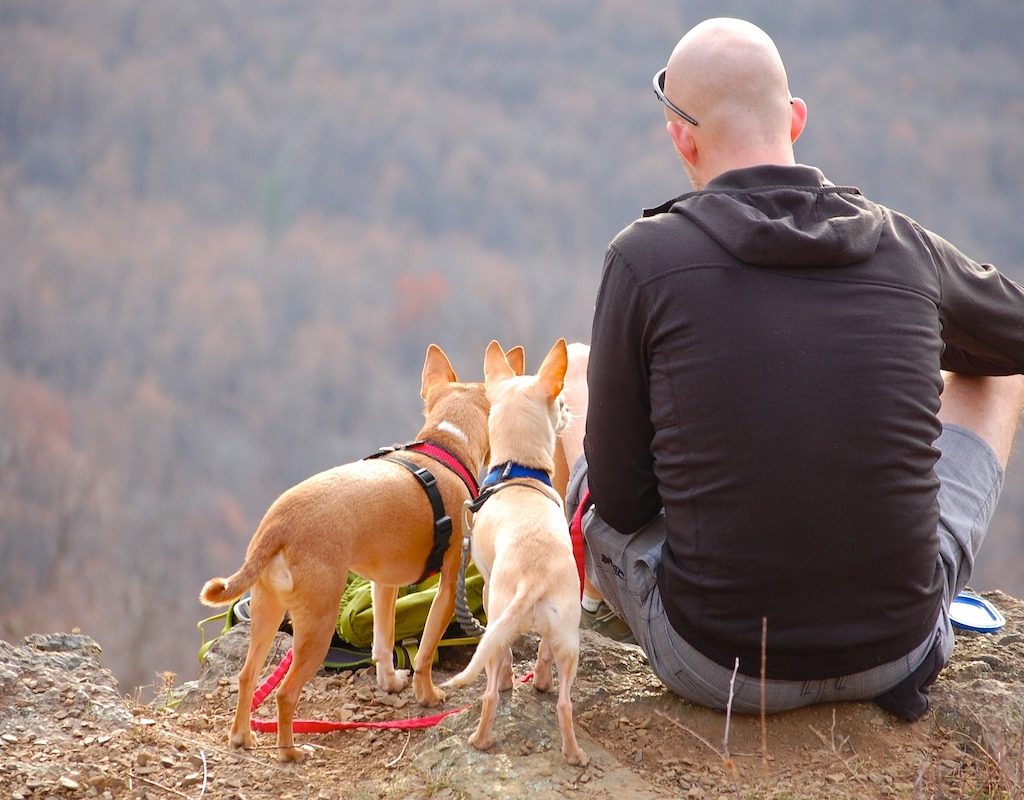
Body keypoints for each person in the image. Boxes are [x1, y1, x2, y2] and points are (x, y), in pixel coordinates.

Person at [562, 17, 1024, 721]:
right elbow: (1013, 339)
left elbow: (621, 505)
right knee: (996, 374)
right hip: (898, 648)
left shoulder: (643, 260)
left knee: (577, 374)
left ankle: (594, 604)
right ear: (797, 120)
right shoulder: (903, 246)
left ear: (681, 136)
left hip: (718, 663)